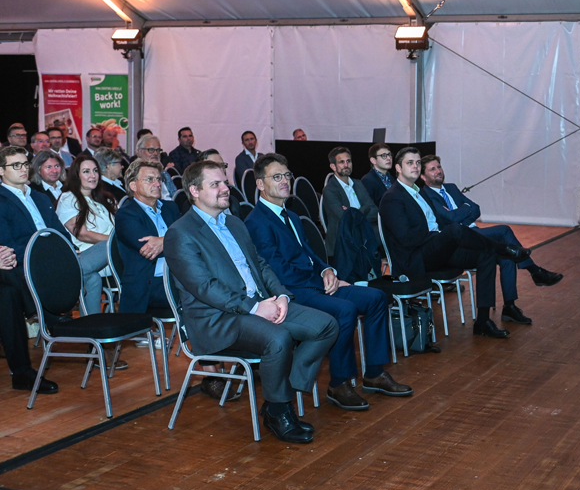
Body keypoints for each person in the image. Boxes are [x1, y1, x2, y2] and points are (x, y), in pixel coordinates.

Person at [163, 160, 339, 443]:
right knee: (278, 339)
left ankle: (277, 399)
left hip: (256, 304)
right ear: (194, 191)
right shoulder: (181, 233)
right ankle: (280, 408)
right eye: (215, 184)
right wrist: (255, 308)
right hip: (217, 319)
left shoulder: (233, 222)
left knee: (326, 325)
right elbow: (204, 287)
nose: (225, 188)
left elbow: (260, 264)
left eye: (224, 182)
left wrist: (281, 296)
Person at [246, 154, 411, 411]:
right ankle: (339, 383)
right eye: (276, 177)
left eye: (287, 175)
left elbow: (310, 255)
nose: (285, 181)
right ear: (260, 184)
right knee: (345, 310)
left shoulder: (291, 215)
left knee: (377, 297)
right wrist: (320, 281)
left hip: (313, 284)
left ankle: (375, 373)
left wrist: (328, 271)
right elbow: (279, 271)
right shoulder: (257, 222)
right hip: (293, 292)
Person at [379, 147, 531, 338]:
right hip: (415, 257)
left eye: (417, 162)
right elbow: (406, 238)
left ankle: (483, 321)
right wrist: (437, 235)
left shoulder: (419, 193)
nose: (415, 166)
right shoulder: (393, 197)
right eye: (410, 163)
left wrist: (441, 236)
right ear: (398, 168)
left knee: (486, 256)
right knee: (454, 229)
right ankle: (505, 249)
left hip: (435, 251)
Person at [420, 155, 563, 325]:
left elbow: (476, 209)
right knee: (504, 231)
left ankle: (510, 307)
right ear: (423, 176)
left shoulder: (451, 188)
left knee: (507, 255)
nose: (438, 171)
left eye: (439, 167)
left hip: (474, 233)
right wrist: (464, 210)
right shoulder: (426, 195)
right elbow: (451, 219)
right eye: (432, 169)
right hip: (459, 242)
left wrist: (462, 217)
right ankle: (535, 271)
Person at [0, 146, 63, 394]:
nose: (23, 169)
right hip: (21, 262)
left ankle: (21, 373)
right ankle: (46, 314)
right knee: (8, 279)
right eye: (15, 165)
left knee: (7, 295)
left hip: (41, 261)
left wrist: (65, 250)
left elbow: (59, 231)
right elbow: (8, 245)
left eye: (25, 164)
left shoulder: (39, 197)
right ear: (1, 171)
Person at [114, 160, 179, 314]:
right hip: (149, 285)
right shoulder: (126, 214)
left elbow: (190, 236)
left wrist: (162, 241)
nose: (157, 184)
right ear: (133, 186)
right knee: (202, 294)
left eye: (159, 179)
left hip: (177, 277)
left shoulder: (170, 207)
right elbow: (150, 249)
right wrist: (174, 241)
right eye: (150, 179)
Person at [56, 154, 118, 315]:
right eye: (86, 171)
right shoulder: (68, 198)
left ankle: (91, 326)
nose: (93, 175)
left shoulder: (105, 200)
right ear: (76, 175)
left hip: (109, 259)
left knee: (92, 277)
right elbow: (82, 234)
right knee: (110, 247)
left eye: (95, 170)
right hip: (86, 254)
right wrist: (114, 241)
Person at [322, 147, 378, 257]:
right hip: (343, 244)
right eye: (341, 162)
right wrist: (365, 208)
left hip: (363, 237)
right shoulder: (329, 190)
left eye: (348, 161)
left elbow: (375, 211)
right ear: (333, 166)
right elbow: (346, 220)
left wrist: (353, 212)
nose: (346, 165)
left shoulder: (358, 184)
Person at [134, 135, 175, 200]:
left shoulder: (164, 173)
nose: (156, 153)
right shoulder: (135, 174)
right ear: (140, 151)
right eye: (151, 150)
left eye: (158, 150)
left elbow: (174, 196)